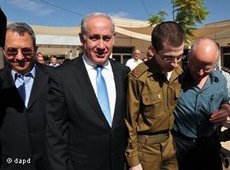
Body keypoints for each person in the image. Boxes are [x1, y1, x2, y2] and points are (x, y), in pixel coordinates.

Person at [47, 12, 130, 170]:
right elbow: (55, 135)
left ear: (114, 38)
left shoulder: (123, 73)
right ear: (81, 38)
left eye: (106, 38)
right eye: (94, 38)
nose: (101, 46)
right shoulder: (62, 76)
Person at [125, 21, 185, 170]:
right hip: (145, 150)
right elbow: (129, 122)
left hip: (169, 146)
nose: (175, 63)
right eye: (168, 58)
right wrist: (133, 160)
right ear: (153, 51)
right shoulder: (138, 78)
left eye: (180, 56)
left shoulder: (179, 73)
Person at [172, 38, 230, 170]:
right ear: (189, 58)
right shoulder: (174, 79)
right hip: (180, 149)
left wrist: (225, 110)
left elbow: (225, 101)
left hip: (210, 147)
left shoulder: (220, 80)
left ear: (215, 63)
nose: (200, 73)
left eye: (207, 68)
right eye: (196, 66)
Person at [0, 22, 52, 170]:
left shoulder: (56, 78)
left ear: (36, 50)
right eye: (12, 51)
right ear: (4, 51)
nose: (20, 57)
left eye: (26, 51)